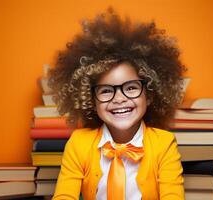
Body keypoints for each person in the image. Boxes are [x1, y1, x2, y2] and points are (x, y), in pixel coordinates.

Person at [49, 8, 185, 200]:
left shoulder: (164, 144)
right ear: (91, 100)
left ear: (150, 94)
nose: (119, 98)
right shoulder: (78, 144)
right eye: (106, 90)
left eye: (130, 88)